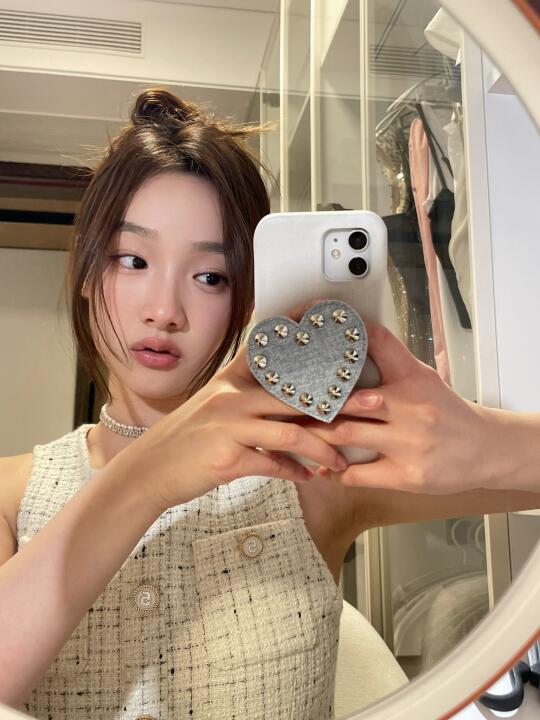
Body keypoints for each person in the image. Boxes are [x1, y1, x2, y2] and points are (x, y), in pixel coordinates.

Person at [0, 88, 538, 720]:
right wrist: (147, 477)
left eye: (211, 277)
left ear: (244, 297)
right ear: (90, 274)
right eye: (133, 260)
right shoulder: (11, 496)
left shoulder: (309, 466)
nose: (165, 311)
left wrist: (481, 438)